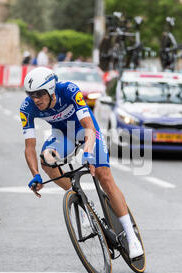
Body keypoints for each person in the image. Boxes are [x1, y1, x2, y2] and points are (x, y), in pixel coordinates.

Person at [20, 67, 144, 259]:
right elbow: (29, 146)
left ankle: (131, 236)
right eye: (31, 94)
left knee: (104, 176)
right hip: (62, 136)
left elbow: (88, 127)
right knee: (47, 160)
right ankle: (82, 201)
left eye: (39, 94)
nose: (35, 99)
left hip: (85, 131)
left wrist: (87, 154)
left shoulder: (69, 90)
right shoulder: (27, 108)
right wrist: (35, 174)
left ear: (51, 90)